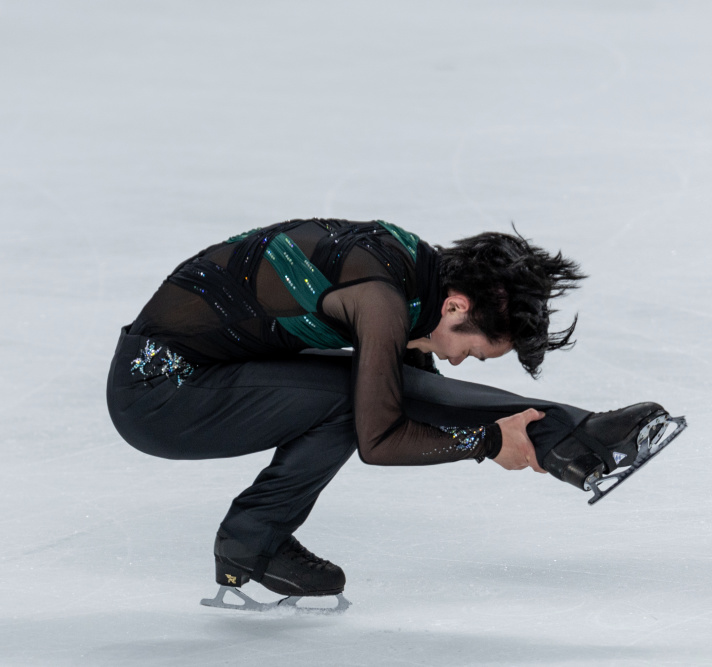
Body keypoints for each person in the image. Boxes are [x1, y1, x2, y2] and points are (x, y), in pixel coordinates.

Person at [106, 218, 668, 602]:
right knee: (351, 400)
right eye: (473, 349)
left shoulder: (416, 271)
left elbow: (417, 389)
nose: (466, 362)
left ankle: (573, 431)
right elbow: (379, 438)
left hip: (209, 372)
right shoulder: (381, 298)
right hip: (161, 393)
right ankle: (252, 543)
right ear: (456, 306)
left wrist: (512, 429)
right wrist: (490, 444)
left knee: (386, 382)